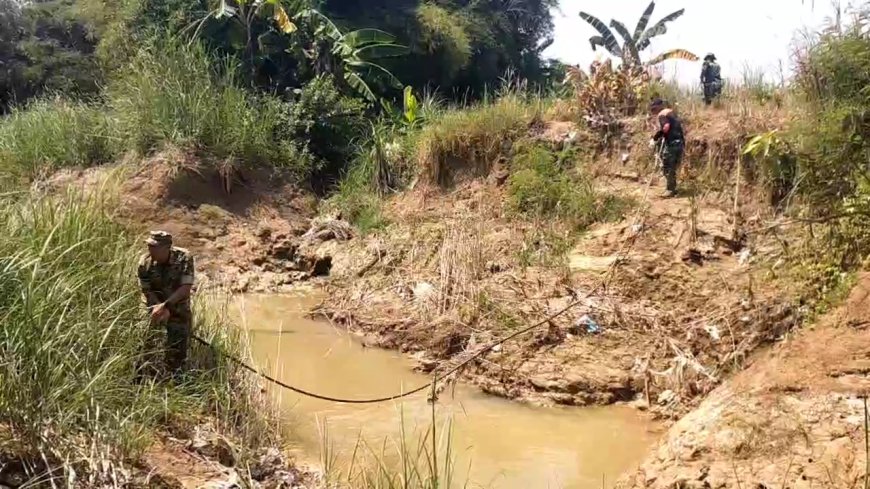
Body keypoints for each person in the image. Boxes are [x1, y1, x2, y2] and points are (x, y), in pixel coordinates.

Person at [137, 231, 195, 377]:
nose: (151, 250)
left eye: (155, 247)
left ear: (167, 247)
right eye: (149, 246)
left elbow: (185, 289)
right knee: (141, 341)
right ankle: (141, 376)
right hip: (152, 305)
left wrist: (167, 306)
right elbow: (147, 290)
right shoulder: (144, 262)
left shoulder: (184, 258)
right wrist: (158, 307)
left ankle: (176, 380)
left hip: (177, 306)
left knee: (177, 348)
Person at [648, 99, 685, 198]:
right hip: (679, 142)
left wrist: (655, 139)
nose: (654, 111)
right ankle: (673, 189)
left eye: (654, 109)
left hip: (672, 144)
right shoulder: (671, 113)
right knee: (672, 167)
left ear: (659, 106)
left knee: (667, 167)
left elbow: (666, 127)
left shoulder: (662, 115)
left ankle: (670, 190)